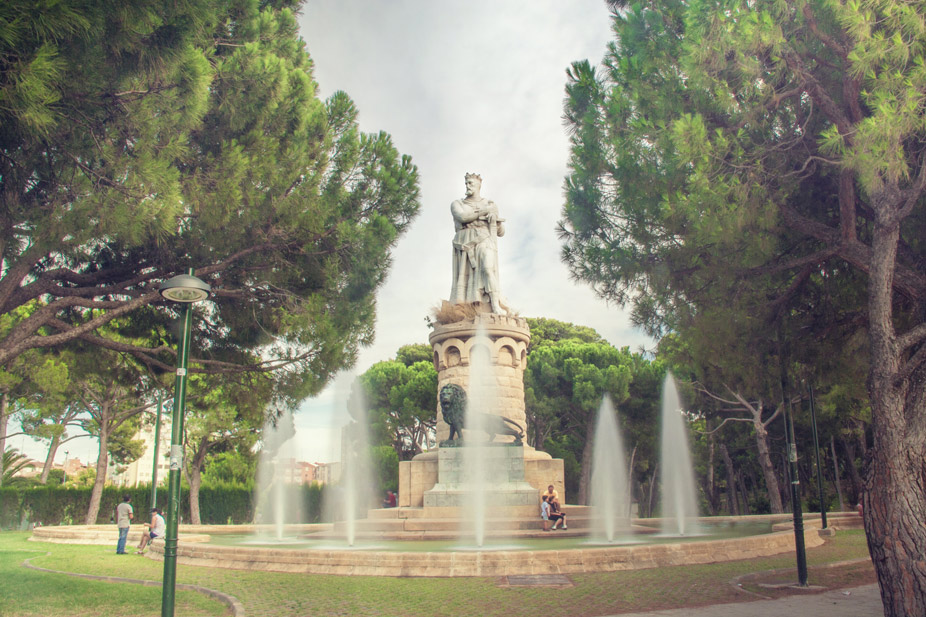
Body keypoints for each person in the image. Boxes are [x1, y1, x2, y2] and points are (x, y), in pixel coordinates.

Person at [449, 173, 509, 314]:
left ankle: (495, 304)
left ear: (479, 185)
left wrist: (495, 220)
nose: (468, 186)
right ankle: (468, 307)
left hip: (485, 239)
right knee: (467, 278)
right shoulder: (458, 204)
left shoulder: (490, 204)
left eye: (471, 183)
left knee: (488, 268)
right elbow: (462, 216)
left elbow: (501, 232)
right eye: (466, 183)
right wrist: (482, 212)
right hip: (466, 242)